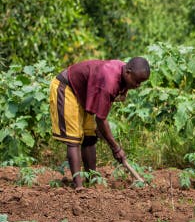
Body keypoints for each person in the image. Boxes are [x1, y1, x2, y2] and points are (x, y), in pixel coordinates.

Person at [49, 57, 150, 188]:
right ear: (128, 72)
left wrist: (125, 90)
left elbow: (101, 117)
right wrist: (116, 148)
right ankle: (78, 186)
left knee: (90, 136)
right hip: (67, 88)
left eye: (140, 83)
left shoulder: (123, 69)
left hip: (85, 93)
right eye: (136, 82)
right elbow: (100, 119)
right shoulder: (108, 83)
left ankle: (93, 180)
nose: (137, 86)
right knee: (74, 139)